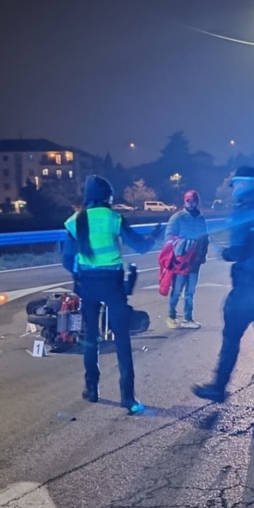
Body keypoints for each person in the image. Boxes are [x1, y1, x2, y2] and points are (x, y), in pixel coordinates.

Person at [191, 165, 254, 414]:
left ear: (245, 184)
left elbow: (238, 250)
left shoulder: (241, 213)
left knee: (231, 338)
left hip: (246, 286)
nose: (233, 190)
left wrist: (224, 252)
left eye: (234, 184)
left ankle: (218, 387)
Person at [63, 175, 160, 414]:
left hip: (88, 284)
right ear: (108, 197)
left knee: (91, 338)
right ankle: (128, 397)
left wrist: (82, 270)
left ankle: (92, 389)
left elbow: (66, 259)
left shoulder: (76, 221)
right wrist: (155, 235)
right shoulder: (114, 218)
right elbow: (140, 246)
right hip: (113, 285)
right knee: (122, 340)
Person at [163, 189, 210, 329]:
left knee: (190, 292)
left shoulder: (201, 218)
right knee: (177, 290)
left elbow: (205, 237)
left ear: (197, 201)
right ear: (184, 201)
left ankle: (188, 318)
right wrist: (182, 246)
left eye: (193, 200)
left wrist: (202, 254)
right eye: (188, 200)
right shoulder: (177, 217)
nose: (191, 203)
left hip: (195, 261)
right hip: (180, 261)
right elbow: (169, 238)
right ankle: (171, 315)